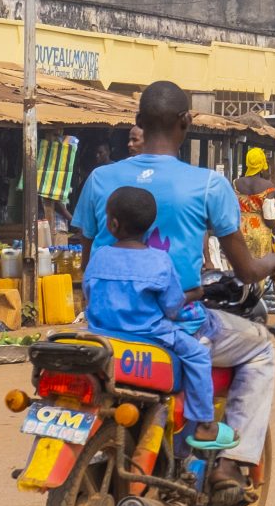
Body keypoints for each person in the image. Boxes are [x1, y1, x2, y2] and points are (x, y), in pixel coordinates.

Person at [72, 81, 275, 504]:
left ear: (137, 123)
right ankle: (229, 462)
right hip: (168, 326)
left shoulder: (100, 180)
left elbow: (86, 261)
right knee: (261, 347)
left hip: (103, 326)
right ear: (185, 123)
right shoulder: (208, 185)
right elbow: (245, 271)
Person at [87, 185, 235, 456]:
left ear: (112, 224)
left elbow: (89, 292)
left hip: (101, 336)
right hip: (151, 337)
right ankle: (204, 424)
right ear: (149, 226)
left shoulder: (100, 256)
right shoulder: (159, 260)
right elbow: (172, 307)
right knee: (199, 356)